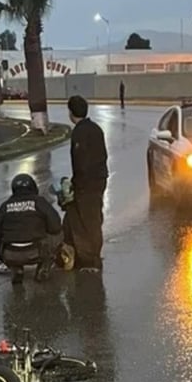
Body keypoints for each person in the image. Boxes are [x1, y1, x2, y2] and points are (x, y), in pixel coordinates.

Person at [0, 173, 63, 284]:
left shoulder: (4, 206)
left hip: (9, 254)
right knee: (59, 234)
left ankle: (17, 269)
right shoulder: (39, 202)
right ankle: (43, 268)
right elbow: (55, 227)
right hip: (36, 251)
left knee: (8, 240)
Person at [66, 94, 109, 271]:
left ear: (71, 112)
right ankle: (90, 255)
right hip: (99, 180)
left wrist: (76, 184)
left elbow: (80, 163)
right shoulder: (96, 129)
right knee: (94, 218)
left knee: (89, 221)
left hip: (87, 184)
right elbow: (103, 155)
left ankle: (92, 260)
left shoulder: (79, 133)